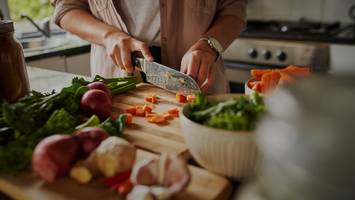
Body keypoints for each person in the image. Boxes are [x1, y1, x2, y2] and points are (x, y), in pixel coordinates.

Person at [52, 0, 246, 94]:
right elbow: (66, 8)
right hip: (118, 82)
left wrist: (209, 45)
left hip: (200, 81)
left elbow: (234, 10)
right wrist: (109, 36)